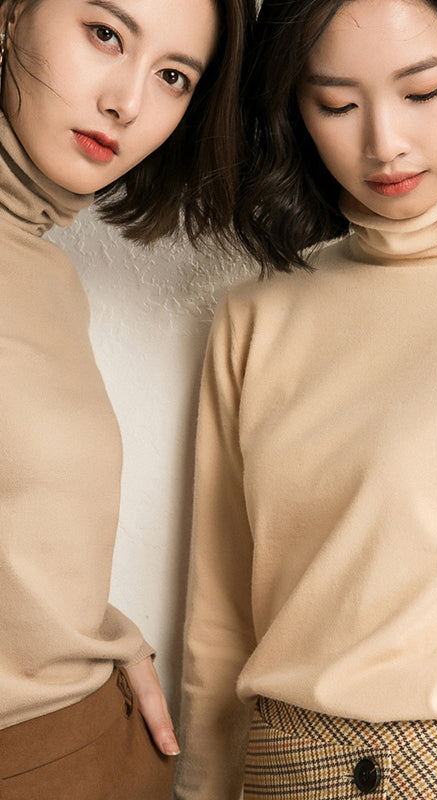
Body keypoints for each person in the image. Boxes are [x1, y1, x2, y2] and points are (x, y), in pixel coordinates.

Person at [177, 0, 437, 798]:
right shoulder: (254, 316)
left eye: (422, 91)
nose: (384, 143)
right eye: (337, 104)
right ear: (296, 111)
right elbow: (218, 623)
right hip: (274, 769)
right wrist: (200, 787)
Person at [0, 0, 251, 796]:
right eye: (105, 34)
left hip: (99, 747)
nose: (129, 102)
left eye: (173, 76)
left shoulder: (43, 271)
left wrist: (95, 636)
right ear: (11, 13)